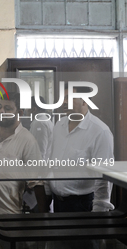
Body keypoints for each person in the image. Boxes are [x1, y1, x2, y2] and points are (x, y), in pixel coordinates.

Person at [44, 84, 114, 249]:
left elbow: (103, 180)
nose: (63, 102)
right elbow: (50, 161)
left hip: (82, 207)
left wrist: (96, 219)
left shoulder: (100, 131)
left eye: (69, 98)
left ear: (85, 101)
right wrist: (46, 194)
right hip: (57, 205)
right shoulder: (59, 126)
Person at [0, 93, 43, 215]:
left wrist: (44, 219)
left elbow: (36, 184)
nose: (1, 111)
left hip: (9, 212)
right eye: (0, 106)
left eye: (7, 108)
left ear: (20, 113)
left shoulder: (28, 140)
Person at [25, 96, 53, 160]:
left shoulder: (39, 123)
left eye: (27, 107)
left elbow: (40, 152)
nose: (25, 110)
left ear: (34, 109)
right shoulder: (43, 120)